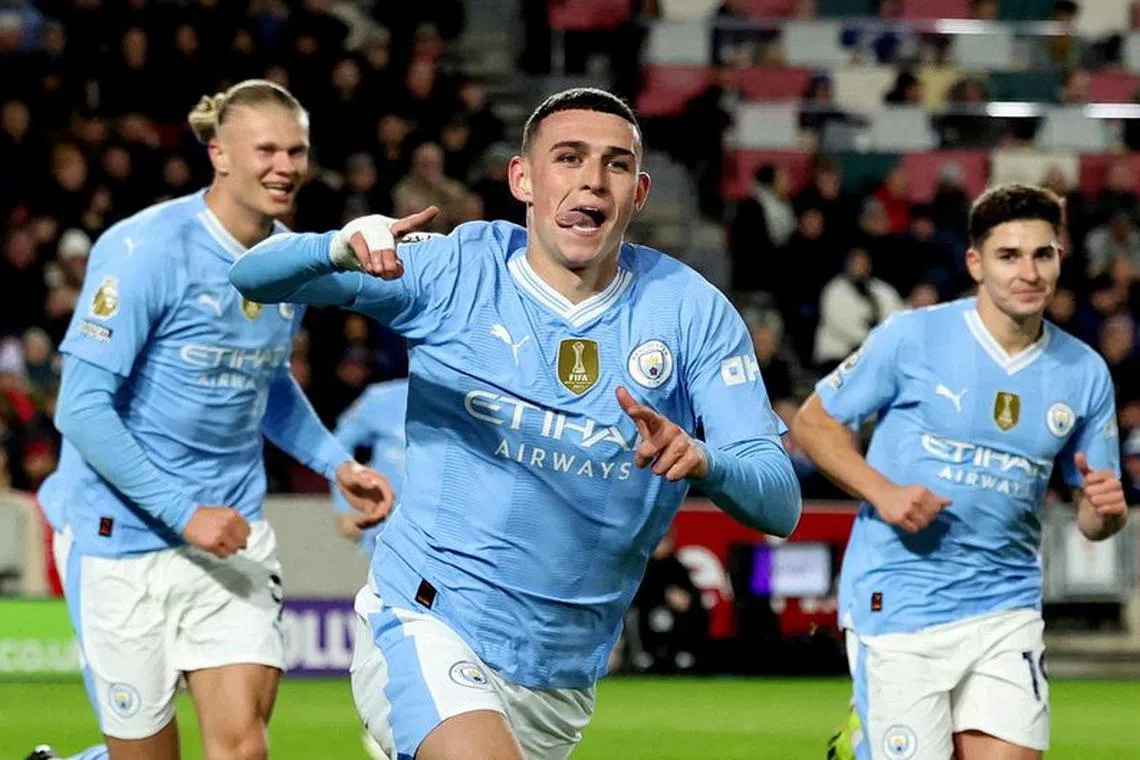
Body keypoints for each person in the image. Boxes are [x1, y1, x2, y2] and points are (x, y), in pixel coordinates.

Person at [230, 87, 802, 760]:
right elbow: (253, 274)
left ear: (639, 192)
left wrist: (706, 461)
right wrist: (338, 248)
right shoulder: (457, 270)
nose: (592, 179)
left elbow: (779, 500)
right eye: (568, 157)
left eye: (615, 165)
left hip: (559, 673)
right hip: (426, 614)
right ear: (522, 179)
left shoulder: (689, 313)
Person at [27, 80, 392, 760]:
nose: (285, 165)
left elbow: (268, 383)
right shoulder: (145, 250)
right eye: (267, 150)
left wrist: (338, 463)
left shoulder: (288, 262)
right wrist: (182, 511)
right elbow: (78, 407)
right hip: (119, 536)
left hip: (231, 531)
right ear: (219, 153)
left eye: (297, 150)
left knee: (242, 748)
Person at [792, 184, 1129, 760]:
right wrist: (885, 493)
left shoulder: (1085, 372)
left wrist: (1106, 511)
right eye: (1008, 255)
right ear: (975, 263)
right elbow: (813, 424)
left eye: (1041, 254)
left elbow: (1093, 519)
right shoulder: (912, 336)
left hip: (1007, 604)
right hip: (901, 597)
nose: (1028, 271)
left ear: (1060, 258)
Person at [331, 377, 409, 556]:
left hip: (454, 528)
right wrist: (345, 505)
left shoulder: (471, 399)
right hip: (389, 528)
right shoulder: (382, 398)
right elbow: (338, 445)